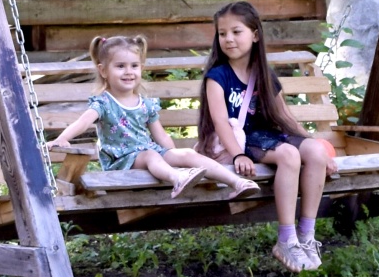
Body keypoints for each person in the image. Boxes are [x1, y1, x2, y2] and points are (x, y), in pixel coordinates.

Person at [198, 0, 340, 272]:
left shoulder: (263, 74)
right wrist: (238, 155)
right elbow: (220, 122)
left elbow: (285, 117)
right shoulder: (217, 77)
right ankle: (286, 239)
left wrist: (318, 150)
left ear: (255, 35)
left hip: (266, 135)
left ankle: (306, 235)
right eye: (222, 33)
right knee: (289, 155)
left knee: (314, 151)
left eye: (236, 32)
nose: (228, 39)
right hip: (240, 140)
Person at [50, 35, 258, 200]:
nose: (128, 72)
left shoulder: (145, 104)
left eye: (134, 66)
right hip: (122, 160)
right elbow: (83, 122)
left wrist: (175, 156)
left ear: (141, 68)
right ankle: (177, 178)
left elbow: (161, 136)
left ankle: (237, 182)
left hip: (150, 155)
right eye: (120, 66)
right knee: (150, 155)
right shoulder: (104, 103)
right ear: (103, 71)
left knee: (186, 153)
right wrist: (63, 138)